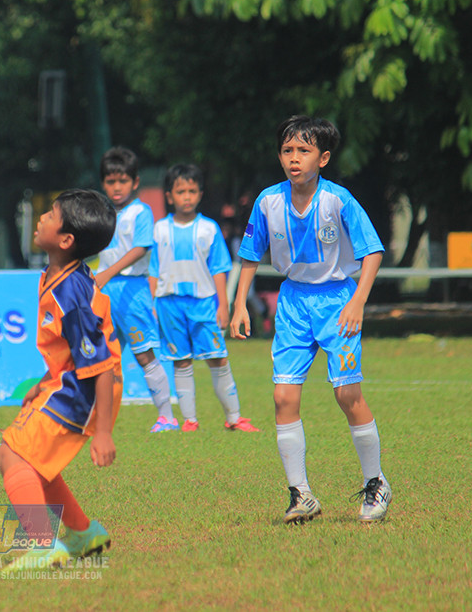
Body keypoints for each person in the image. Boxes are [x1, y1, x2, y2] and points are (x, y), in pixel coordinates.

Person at [229, 115, 392, 524]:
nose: (294, 159)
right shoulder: (268, 201)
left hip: (337, 301)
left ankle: (377, 483)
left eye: (304, 151)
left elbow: (372, 252)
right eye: (287, 151)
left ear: (323, 158)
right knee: (283, 397)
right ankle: (300, 494)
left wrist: (356, 302)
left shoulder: (338, 200)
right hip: (292, 303)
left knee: (346, 395)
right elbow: (250, 254)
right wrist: (239, 304)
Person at [0, 189, 121, 570]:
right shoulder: (62, 275)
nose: (41, 220)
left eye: (49, 216)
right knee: (35, 462)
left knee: (11, 454)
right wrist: (42, 382)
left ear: (66, 240)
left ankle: (42, 547)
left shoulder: (70, 292)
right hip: (68, 381)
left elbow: (98, 362)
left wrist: (102, 430)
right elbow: (71, 350)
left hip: (82, 389)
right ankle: (84, 534)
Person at [150, 164, 259, 433]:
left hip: (203, 303)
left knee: (218, 357)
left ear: (200, 194)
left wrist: (223, 304)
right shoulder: (159, 229)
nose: (186, 196)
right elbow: (153, 269)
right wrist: (153, 302)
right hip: (169, 303)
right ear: (169, 196)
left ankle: (234, 418)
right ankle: (190, 421)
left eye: (192, 191)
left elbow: (219, 269)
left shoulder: (209, 229)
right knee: (181, 361)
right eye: (181, 191)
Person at [95, 146, 178, 432]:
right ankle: (99, 418)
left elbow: (142, 248)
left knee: (144, 355)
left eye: (122, 181)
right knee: (101, 357)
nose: (116, 188)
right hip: (104, 292)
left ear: (135, 182)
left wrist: (106, 273)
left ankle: (167, 417)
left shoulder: (140, 212)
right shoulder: (101, 212)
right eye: (110, 181)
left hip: (131, 291)